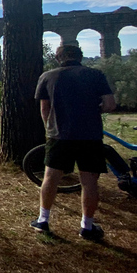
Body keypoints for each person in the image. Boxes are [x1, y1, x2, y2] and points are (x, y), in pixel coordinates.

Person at [31, 44, 116, 241]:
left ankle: (43, 220)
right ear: (81, 57)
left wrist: (49, 128)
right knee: (89, 182)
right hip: (90, 135)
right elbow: (110, 104)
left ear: (58, 58)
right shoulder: (95, 74)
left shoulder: (47, 76)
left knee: (50, 177)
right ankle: (87, 226)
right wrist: (94, 111)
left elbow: (44, 108)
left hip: (59, 135)